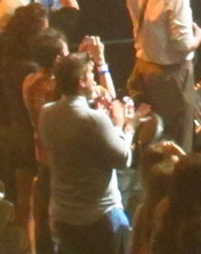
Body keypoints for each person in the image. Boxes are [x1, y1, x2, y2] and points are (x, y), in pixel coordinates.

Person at [37, 51, 134, 254]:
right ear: (81, 81)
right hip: (101, 217)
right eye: (91, 74)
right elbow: (123, 159)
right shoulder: (95, 120)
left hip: (64, 217)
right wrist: (121, 125)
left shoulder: (46, 113)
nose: (94, 80)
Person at [124, 0, 201, 152]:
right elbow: (182, 45)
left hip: (144, 68)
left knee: (151, 133)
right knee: (177, 140)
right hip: (170, 77)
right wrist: (198, 37)